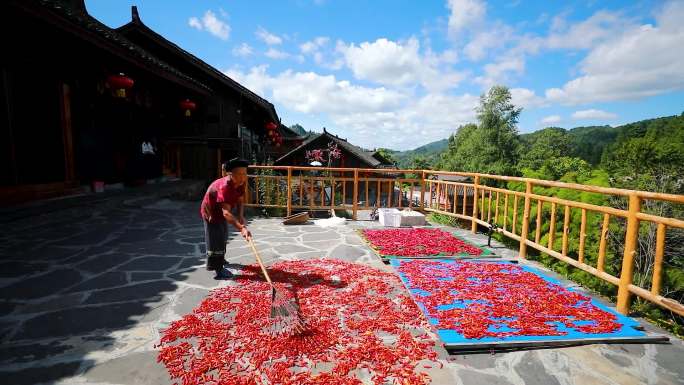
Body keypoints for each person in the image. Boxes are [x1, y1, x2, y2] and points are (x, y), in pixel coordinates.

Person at [200, 158, 251, 279]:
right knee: (215, 239)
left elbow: (240, 200)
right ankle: (218, 270)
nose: (243, 177)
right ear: (231, 174)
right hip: (211, 212)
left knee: (223, 236)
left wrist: (240, 216)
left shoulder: (240, 183)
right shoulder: (224, 187)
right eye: (240, 174)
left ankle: (221, 260)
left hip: (222, 212)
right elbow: (226, 213)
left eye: (245, 173)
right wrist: (241, 228)